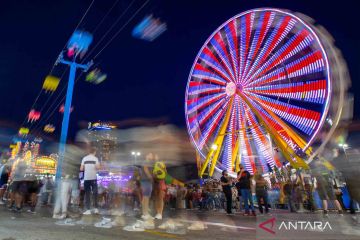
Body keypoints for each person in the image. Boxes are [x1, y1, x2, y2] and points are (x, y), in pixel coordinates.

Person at [80, 147, 100, 215]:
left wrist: (87, 168)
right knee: (95, 194)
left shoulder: (84, 158)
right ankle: (96, 209)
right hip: (93, 178)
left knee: (87, 194)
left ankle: (88, 210)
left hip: (86, 179)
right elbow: (97, 168)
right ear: (94, 152)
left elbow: (81, 169)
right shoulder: (95, 158)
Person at [139, 153, 154, 220]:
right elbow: (146, 169)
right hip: (146, 181)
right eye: (150, 154)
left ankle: (145, 213)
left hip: (146, 181)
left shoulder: (149, 163)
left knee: (146, 197)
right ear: (146, 155)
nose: (151, 156)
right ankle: (145, 214)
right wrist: (150, 177)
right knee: (146, 197)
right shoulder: (146, 162)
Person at [152, 154, 167, 219]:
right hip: (155, 182)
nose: (155, 157)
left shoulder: (162, 164)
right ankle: (158, 213)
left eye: (156, 156)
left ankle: (160, 213)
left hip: (161, 181)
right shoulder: (154, 164)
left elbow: (165, 173)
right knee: (156, 198)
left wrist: (160, 171)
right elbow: (154, 173)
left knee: (160, 198)